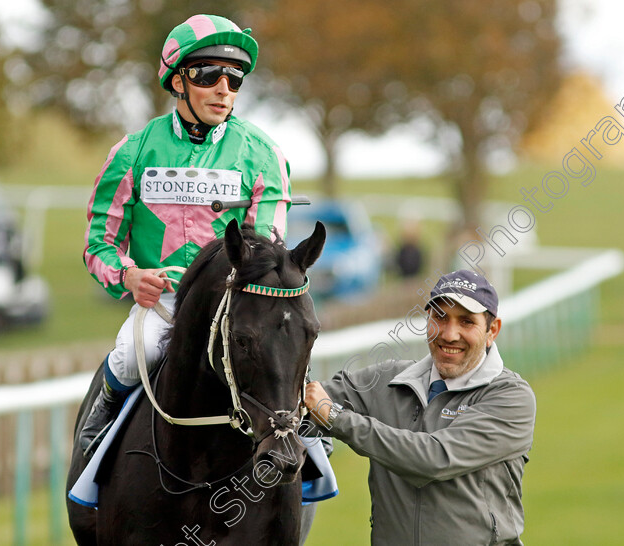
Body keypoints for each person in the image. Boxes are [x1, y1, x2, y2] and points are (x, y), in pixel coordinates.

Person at [80, 14, 292, 455]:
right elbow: (98, 243)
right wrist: (130, 277)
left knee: (285, 355)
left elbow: (269, 245)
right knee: (129, 353)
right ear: (178, 81)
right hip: (166, 304)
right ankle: (96, 433)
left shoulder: (265, 154)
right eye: (208, 74)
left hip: (239, 302)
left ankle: (305, 443)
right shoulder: (132, 152)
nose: (223, 89)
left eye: (234, 79)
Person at [304, 269, 536, 545]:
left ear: (492, 330)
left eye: (466, 322)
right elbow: (301, 402)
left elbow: (433, 459)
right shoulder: (387, 379)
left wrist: (336, 419)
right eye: (440, 317)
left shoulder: (511, 397)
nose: (450, 334)